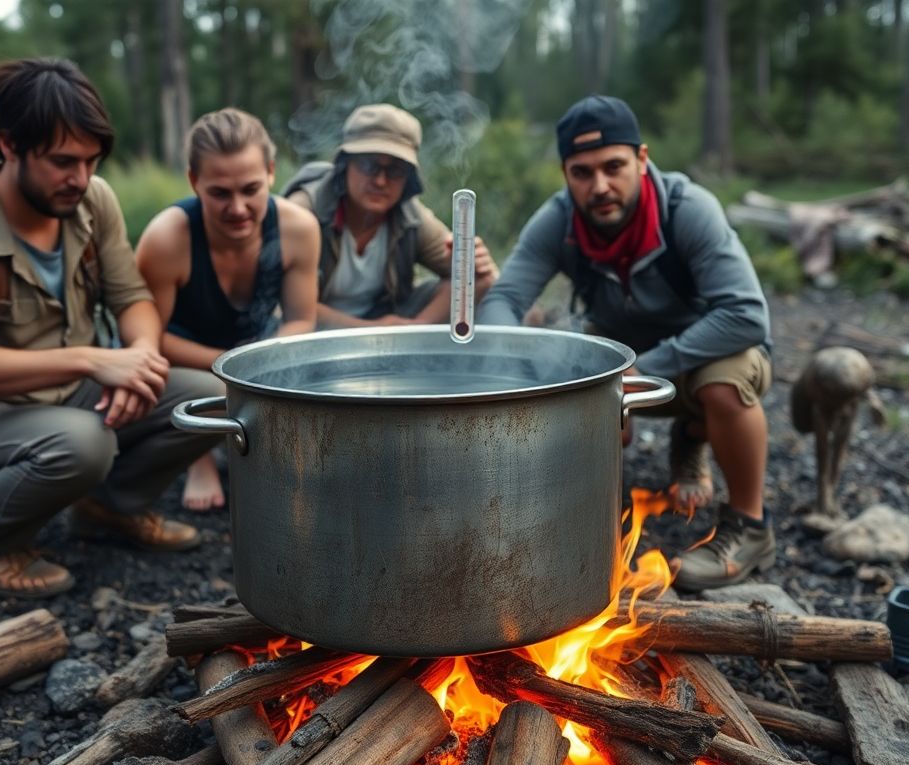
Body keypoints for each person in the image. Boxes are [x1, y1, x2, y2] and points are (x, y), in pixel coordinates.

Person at [0, 58, 216, 599]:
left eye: (92, 161)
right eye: (63, 162)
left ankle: (107, 509)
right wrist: (92, 360)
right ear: (9, 145)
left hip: (64, 399)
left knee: (206, 398)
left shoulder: (92, 201)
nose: (81, 178)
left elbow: (131, 296)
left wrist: (138, 358)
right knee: (85, 443)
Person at [477, 95, 775, 591]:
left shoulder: (687, 209)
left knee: (721, 384)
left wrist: (644, 367)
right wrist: (516, 371)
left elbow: (746, 315)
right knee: (569, 373)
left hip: (704, 356)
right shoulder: (559, 220)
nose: (599, 186)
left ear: (641, 159)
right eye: (582, 172)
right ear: (565, 174)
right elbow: (504, 299)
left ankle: (749, 527)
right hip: (622, 366)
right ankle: (597, 525)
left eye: (614, 167)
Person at [135, 108, 319, 510]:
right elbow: (149, 339)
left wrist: (257, 361)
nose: (237, 208)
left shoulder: (298, 229)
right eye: (219, 193)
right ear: (193, 181)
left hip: (253, 344)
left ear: (271, 172)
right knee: (205, 383)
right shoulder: (168, 239)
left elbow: (301, 320)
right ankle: (199, 458)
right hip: (180, 354)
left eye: (251, 189)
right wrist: (235, 367)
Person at [283, 103, 496, 328]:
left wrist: (415, 328)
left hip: (386, 323)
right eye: (369, 165)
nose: (380, 181)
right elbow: (284, 304)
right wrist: (374, 332)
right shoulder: (304, 212)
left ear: (408, 178)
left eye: (395, 171)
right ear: (345, 164)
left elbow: (480, 280)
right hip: (308, 335)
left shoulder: (411, 218)